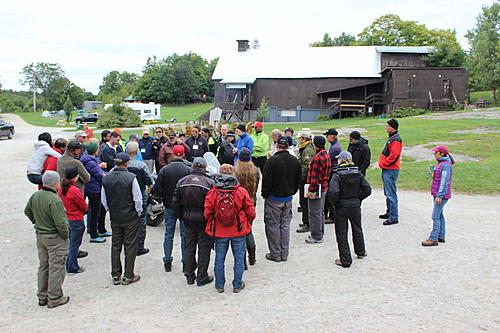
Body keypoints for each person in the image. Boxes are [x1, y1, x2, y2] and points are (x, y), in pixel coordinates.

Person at [204, 166, 256, 293]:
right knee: (238, 258)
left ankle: (220, 284)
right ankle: (237, 284)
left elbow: (207, 213)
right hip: (238, 228)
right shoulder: (241, 191)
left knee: (219, 258)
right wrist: (247, 221)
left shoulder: (213, 192)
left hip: (220, 230)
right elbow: (251, 212)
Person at [24, 171, 70, 308]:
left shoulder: (36, 195)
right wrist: (65, 236)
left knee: (43, 266)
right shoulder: (54, 200)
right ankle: (54, 297)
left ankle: (42, 296)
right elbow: (61, 223)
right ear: (55, 183)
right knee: (56, 267)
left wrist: (37, 222)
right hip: (54, 237)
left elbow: (27, 211)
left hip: (40, 235)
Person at [101, 153, 143, 286]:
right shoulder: (131, 177)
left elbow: (104, 200)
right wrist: (138, 212)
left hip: (115, 215)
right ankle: (128, 275)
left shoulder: (106, 178)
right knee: (130, 245)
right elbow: (137, 199)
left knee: (115, 245)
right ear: (126, 163)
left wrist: (111, 210)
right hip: (130, 215)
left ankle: (115, 274)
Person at [172, 158, 215, 286]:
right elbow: (213, 203)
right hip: (203, 219)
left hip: (188, 217)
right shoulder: (209, 182)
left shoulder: (182, 181)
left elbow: (175, 202)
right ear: (204, 167)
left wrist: (182, 216)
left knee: (189, 247)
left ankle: (189, 275)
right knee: (204, 248)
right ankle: (202, 276)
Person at [328, 151, 371, 268]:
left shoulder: (337, 174)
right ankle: (360, 251)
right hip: (355, 205)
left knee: (341, 233)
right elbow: (367, 189)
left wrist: (335, 203)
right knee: (357, 228)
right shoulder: (358, 173)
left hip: (342, 205)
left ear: (341, 160)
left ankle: (345, 260)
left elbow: (333, 192)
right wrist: (358, 199)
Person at [261, 137, 302, 262]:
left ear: (276, 145)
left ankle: (275, 253)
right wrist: (292, 192)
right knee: (285, 225)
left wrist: (265, 194)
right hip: (287, 197)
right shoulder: (294, 161)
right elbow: (298, 180)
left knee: (273, 225)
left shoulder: (272, 161)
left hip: (274, 198)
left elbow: (266, 181)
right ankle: (284, 253)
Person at [154, 145, 191, 272]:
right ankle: (185, 260)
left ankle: (167, 260)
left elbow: (158, 189)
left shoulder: (165, 170)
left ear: (173, 154)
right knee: (184, 234)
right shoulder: (188, 170)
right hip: (184, 206)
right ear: (183, 155)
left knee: (168, 234)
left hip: (169, 205)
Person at [422, 145, 454, 247]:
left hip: (440, 195)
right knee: (440, 215)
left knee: (435, 216)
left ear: (442, 153)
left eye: (436, 152)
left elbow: (445, 181)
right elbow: (439, 179)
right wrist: (433, 173)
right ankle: (441, 235)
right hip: (437, 193)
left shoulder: (445, 165)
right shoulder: (441, 164)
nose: (434, 154)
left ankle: (433, 238)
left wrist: (440, 196)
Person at [58, 166, 88, 275]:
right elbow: (83, 205)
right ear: (75, 177)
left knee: (69, 243)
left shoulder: (60, 189)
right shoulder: (75, 191)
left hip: (66, 218)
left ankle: (68, 263)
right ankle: (72, 267)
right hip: (76, 219)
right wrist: (85, 210)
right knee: (74, 244)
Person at [126, 141, 154, 256]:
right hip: (140, 193)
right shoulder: (141, 165)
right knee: (141, 220)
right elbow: (149, 180)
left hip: (126, 195)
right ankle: (140, 247)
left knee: (128, 220)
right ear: (137, 151)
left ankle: (128, 245)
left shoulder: (124, 165)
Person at [234, 148, 259, 268]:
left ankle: (242, 260)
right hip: (251, 202)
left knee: (240, 232)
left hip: (238, 205)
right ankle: (252, 256)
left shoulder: (235, 170)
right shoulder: (255, 170)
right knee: (248, 229)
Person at [305, 135, 332, 244]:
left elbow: (315, 177)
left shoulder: (317, 158)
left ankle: (316, 236)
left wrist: (311, 191)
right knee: (320, 212)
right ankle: (320, 232)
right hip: (324, 186)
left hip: (317, 187)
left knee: (314, 212)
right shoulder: (326, 155)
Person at [80, 141, 107, 243]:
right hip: (94, 188)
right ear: (95, 150)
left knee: (98, 209)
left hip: (92, 187)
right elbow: (99, 175)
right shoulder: (90, 162)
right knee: (96, 211)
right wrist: (108, 174)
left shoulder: (88, 160)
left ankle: (100, 230)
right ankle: (94, 235)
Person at [378, 119, 403, 226]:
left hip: (391, 169)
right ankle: (389, 212)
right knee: (387, 193)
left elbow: (394, 155)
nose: (386, 127)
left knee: (391, 193)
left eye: (388, 126)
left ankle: (394, 217)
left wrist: (384, 163)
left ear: (393, 127)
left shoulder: (396, 139)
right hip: (388, 169)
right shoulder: (392, 138)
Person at [296, 128, 316, 233]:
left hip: (306, 180)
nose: (300, 140)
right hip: (305, 179)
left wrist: (301, 178)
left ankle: (307, 223)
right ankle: (305, 221)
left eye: (301, 138)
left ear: (304, 139)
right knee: (303, 202)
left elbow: (307, 166)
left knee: (305, 202)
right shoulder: (305, 148)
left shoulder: (308, 150)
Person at [324, 128, 342, 224]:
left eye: (328, 135)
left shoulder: (335, 148)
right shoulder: (333, 146)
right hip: (332, 171)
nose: (326, 137)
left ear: (332, 136)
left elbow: (327, 159)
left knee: (330, 194)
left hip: (332, 171)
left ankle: (332, 216)